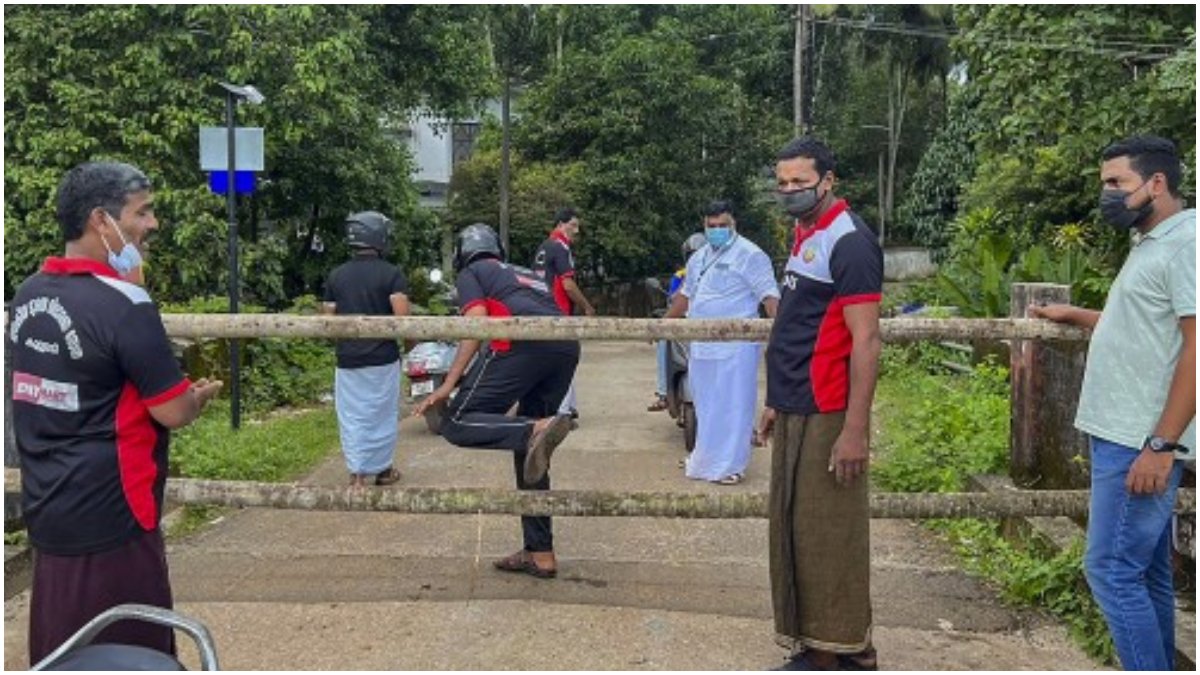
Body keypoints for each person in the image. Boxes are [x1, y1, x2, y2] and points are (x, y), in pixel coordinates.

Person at [10, 161, 223, 664]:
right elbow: (172, 411)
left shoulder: (29, 294)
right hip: (115, 514)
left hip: (50, 510)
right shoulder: (126, 305)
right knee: (129, 651)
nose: (152, 224)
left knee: (62, 652)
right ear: (100, 220)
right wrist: (197, 397)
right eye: (141, 212)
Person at [1031, 134, 1194, 671]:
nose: (1107, 195)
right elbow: (1149, 328)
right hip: (1126, 435)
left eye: (1116, 183)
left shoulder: (1186, 244)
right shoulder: (1151, 242)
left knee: (1109, 571)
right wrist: (1078, 316)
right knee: (1147, 573)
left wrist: (1161, 445)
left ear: (1157, 183)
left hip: (1139, 439)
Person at [757, 138, 883, 670]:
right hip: (796, 402)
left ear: (828, 181)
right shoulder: (806, 232)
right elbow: (797, 323)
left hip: (828, 407)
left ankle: (837, 650)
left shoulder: (849, 241)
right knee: (797, 528)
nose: (789, 190)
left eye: (800, 182)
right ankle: (825, 643)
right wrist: (775, 399)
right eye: (782, 182)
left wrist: (855, 430)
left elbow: (866, 340)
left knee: (827, 532)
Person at [414, 223, 579, 579]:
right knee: (531, 454)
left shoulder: (473, 272)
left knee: (457, 421)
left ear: (461, 255)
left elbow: (476, 323)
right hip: (566, 347)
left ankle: (537, 428)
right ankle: (540, 553)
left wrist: (449, 384)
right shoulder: (525, 273)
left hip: (521, 342)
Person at [664, 201, 779, 485]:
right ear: (704, 226)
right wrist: (662, 324)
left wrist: (781, 331)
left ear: (733, 224)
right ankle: (704, 460)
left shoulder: (751, 255)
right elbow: (686, 296)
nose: (717, 230)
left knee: (734, 405)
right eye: (711, 226)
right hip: (702, 344)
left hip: (736, 346)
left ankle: (731, 466)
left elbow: (769, 296)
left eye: (722, 225)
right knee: (707, 405)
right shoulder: (699, 257)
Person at [321, 211, 410, 488]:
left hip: (348, 359)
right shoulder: (392, 274)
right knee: (382, 414)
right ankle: (384, 471)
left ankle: (356, 474)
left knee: (352, 416)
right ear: (379, 237)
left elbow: (327, 321)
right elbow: (403, 320)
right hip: (383, 359)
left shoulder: (336, 275)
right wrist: (410, 347)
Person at [532, 207, 594, 420]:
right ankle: (562, 410)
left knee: (558, 355)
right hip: (557, 310)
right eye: (573, 225)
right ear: (560, 225)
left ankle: (569, 406)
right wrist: (586, 306)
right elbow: (568, 285)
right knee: (564, 358)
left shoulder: (544, 246)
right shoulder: (560, 247)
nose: (576, 231)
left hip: (539, 307)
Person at [649, 232, 706, 412]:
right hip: (682, 323)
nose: (695, 258)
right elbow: (674, 300)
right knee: (663, 343)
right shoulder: (680, 275)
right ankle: (663, 393)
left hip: (708, 326)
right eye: (692, 255)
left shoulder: (718, 273)